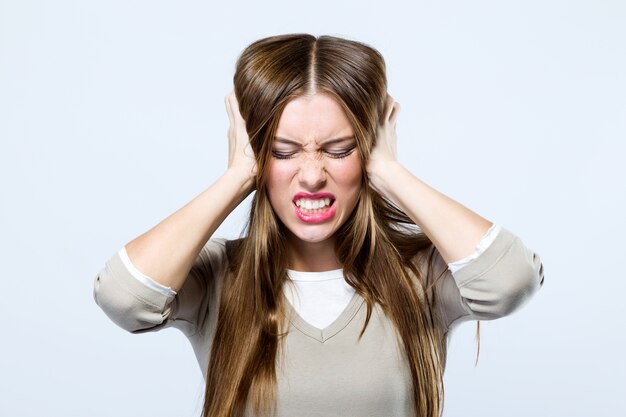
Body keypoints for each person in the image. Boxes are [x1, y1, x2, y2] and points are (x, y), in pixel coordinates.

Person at [93, 34, 544, 417]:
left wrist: (389, 172)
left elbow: (509, 282)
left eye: (340, 149)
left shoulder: (423, 275)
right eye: (284, 151)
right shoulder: (216, 277)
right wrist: (235, 178)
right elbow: (124, 299)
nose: (311, 175)